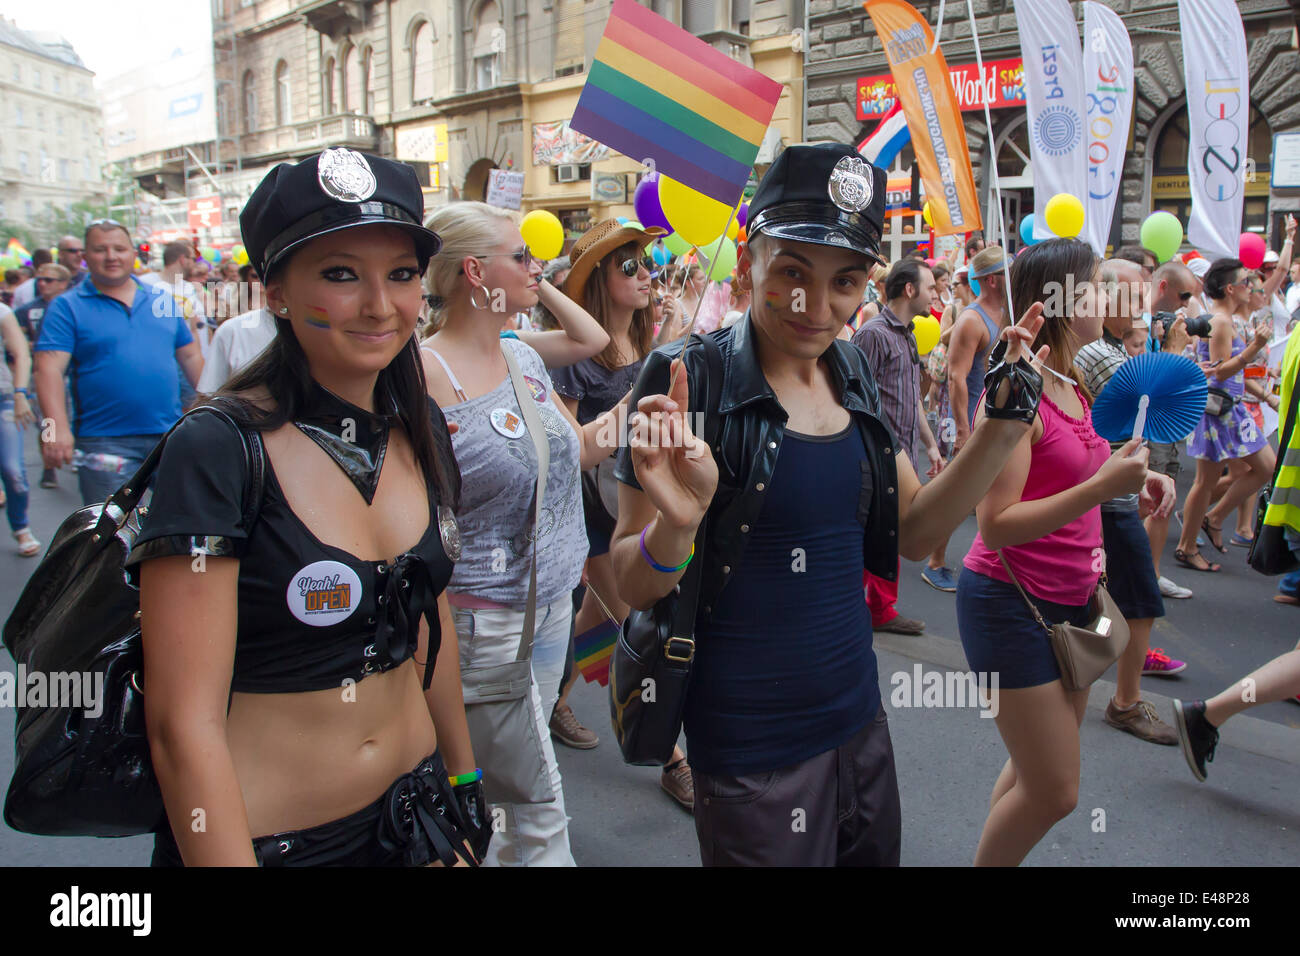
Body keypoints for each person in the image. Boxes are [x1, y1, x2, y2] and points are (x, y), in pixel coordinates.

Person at [611, 143, 1051, 866]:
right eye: (791, 273)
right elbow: (631, 581)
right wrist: (678, 523)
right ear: (750, 260)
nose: (816, 307)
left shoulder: (849, 367)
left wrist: (1002, 428)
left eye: (845, 281)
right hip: (751, 751)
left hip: (859, 723)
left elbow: (914, 531)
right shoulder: (690, 375)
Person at [124, 148, 482, 867]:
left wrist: (464, 783)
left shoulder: (424, 426)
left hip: (420, 821)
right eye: (341, 275)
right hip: (276, 846)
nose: (381, 305)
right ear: (276, 294)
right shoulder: (219, 448)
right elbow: (179, 727)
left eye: (402, 275)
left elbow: (426, 620)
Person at [957, 238, 1169, 866]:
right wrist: (1101, 488)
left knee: (1035, 777)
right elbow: (994, 525)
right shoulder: (1016, 387)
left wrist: (1136, 475)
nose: (1109, 297)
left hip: (1072, 601)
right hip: (1009, 605)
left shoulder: (1071, 379)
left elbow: (1078, 467)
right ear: (1061, 299)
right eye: (1098, 284)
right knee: (1055, 792)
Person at [420, 201, 617, 866]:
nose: (538, 266)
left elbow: (591, 346)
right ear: (474, 271)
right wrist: (524, 286)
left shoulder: (517, 352)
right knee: (534, 798)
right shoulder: (426, 373)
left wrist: (532, 283)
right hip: (487, 619)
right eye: (521, 256)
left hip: (553, 601)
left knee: (508, 783)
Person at [549, 218, 694, 808]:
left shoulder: (652, 340)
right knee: (636, 617)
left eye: (645, 261)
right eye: (627, 264)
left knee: (599, 617)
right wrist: (640, 399)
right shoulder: (569, 354)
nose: (644, 272)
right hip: (594, 510)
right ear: (598, 281)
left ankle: (551, 686)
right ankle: (670, 757)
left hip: (645, 499)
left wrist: (680, 346)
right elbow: (569, 446)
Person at [1075, 259, 1183, 746]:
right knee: (1137, 599)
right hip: (1107, 492)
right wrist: (1174, 355)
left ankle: (1093, 675)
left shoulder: (1112, 346)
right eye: (1135, 298)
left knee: (1114, 595)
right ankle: (1124, 702)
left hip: (1113, 485)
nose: (1142, 309)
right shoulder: (1099, 351)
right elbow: (1150, 401)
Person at [33, 221, 204, 506]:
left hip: (169, 435)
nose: (111, 256)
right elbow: (47, 369)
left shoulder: (162, 299)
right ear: (85, 256)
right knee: (111, 540)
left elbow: (190, 355)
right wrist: (53, 430)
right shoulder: (67, 306)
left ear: (133, 253)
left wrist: (218, 405)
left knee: (184, 530)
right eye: (100, 250)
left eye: (119, 248)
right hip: (104, 442)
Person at [852, 259, 943, 628]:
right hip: (878, 457)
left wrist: (931, 445)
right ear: (910, 290)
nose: (936, 294)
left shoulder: (906, 334)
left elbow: (911, 401)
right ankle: (866, 608)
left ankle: (880, 608)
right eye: (931, 287)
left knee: (892, 530)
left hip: (903, 454)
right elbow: (855, 396)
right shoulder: (874, 334)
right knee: (873, 530)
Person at [1174, 258, 1274, 573]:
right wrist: (1253, 347)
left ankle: (1211, 520)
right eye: (1248, 282)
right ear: (1231, 288)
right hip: (1221, 410)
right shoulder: (1221, 321)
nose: (1253, 287)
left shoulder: (1221, 319)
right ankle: (1188, 545)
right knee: (1207, 481)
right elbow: (1217, 372)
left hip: (1230, 409)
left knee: (1259, 468)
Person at [1145, 261, 1199, 599]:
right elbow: (1147, 382)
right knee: (1146, 498)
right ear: (1163, 286)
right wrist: (1175, 351)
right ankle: (1138, 575)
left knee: (1165, 495)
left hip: (1165, 421)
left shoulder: (1156, 326)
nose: (1185, 305)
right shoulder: (1135, 322)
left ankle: (1151, 573)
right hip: (1146, 426)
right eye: (1183, 296)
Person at [196, 267, 276, 393]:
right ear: (246, 278)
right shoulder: (233, 322)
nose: (261, 280)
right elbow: (208, 392)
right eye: (255, 276)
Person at [0, 302, 39, 555]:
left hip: (3, 398)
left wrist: (20, 393)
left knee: (13, 471)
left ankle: (21, 527)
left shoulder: (2, 311)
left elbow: (22, 353)